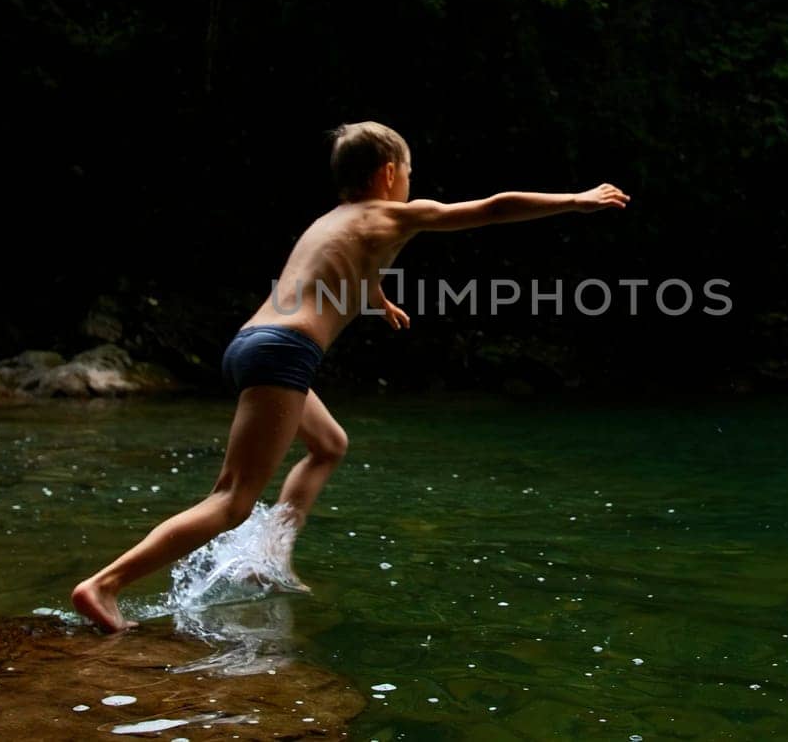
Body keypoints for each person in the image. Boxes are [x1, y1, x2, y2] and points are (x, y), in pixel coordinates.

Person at [71, 121, 630, 631]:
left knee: (329, 445)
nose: (412, 183)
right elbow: (491, 208)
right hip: (284, 353)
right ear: (389, 174)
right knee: (232, 499)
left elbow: (340, 268)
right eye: (409, 173)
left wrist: (378, 297)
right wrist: (575, 200)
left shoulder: (331, 222)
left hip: (252, 345)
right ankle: (104, 585)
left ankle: (268, 559)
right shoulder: (391, 214)